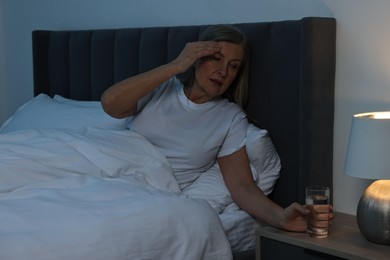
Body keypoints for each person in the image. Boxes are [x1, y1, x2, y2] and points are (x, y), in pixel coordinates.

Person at [101, 24, 333, 232]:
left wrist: (282, 218)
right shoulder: (162, 87)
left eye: (233, 66)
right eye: (216, 58)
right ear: (196, 58)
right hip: (110, 174)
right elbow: (111, 104)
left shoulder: (229, 118)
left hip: (152, 193)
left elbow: (242, 187)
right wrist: (176, 65)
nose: (223, 72)